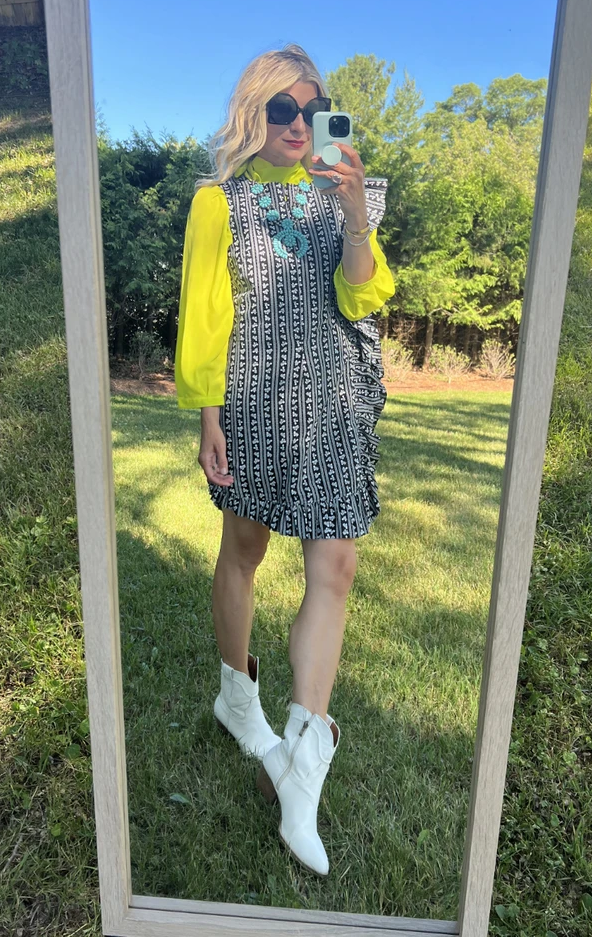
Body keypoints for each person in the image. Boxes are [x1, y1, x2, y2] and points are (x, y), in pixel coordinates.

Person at [173, 43, 396, 876]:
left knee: (334, 566)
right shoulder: (218, 203)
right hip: (254, 403)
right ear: (254, 113)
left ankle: (303, 761)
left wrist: (355, 216)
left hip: (333, 399)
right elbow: (204, 313)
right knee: (244, 551)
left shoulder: (348, 192)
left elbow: (363, 293)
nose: (299, 124)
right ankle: (238, 700)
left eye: (312, 110)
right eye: (281, 109)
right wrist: (208, 414)